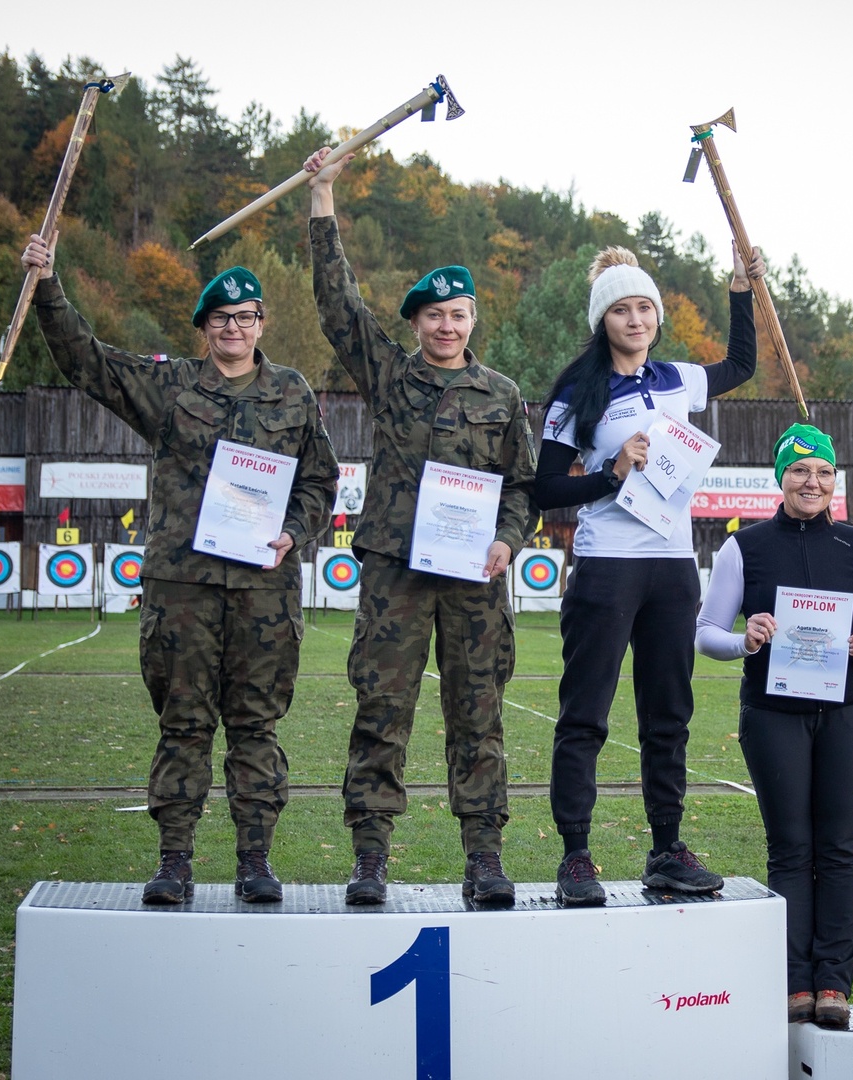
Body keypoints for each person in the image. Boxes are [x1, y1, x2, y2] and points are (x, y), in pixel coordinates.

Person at [22, 234, 338, 905]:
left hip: (263, 592)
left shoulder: (293, 393)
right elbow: (86, 360)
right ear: (203, 329)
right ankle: (175, 860)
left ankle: (255, 859)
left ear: (261, 324)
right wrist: (48, 285)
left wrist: (291, 533)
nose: (234, 327)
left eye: (246, 316)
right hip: (182, 592)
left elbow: (320, 481)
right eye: (221, 319)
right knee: (183, 726)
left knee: (256, 727)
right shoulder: (168, 388)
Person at [304, 146, 538, 906]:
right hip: (397, 573)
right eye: (434, 314)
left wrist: (508, 539)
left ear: (473, 318)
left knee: (479, 717)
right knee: (382, 710)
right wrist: (323, 201)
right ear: (416, 322)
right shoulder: (389, 374)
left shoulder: (500, 393)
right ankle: (370, 852)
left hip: (475, 579)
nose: (446, 324)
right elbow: (338, 304)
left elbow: (522, 486)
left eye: (458, 313)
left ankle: (484, 856)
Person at [537, 243, 763, 906]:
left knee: (669, 717)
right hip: (607, 566)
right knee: (585, 716)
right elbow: (548, 487)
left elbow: (744, 365)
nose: (635, 320)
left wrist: (739, 290)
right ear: (601, 318)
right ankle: (576, 858)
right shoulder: (577, 389)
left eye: (645, 308)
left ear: (656, 315)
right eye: (621, 309)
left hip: (671, 570)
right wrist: (611, 473)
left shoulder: (676, 379)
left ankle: (666, 851)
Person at [695, 423, 853, 1028]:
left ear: (836, 481)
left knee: (838, 847)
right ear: (780, 478)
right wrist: (744, 640)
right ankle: (793, 981)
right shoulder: (744, 546)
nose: (812, 481)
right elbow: (706, 632)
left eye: (824, 472)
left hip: (845, 713)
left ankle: (833, 981)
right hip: (773, 714)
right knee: (790, 847)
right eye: (800, 470)